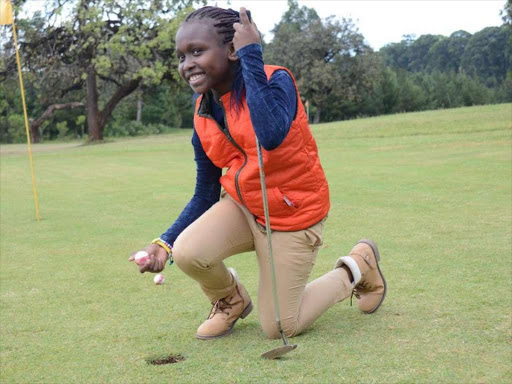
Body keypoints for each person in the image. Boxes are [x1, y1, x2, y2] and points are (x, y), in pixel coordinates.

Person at [129, 6, 387, 340]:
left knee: (281, 325)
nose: (187, 64)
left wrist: (252, 54)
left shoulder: (276, 80)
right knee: (187, 251)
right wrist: (163, 243)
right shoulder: (203, 112)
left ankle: (358, 265)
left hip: (293, 215)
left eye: (197, 51)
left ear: (233, 50)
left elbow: (270, 135)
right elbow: (205, 193)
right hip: (244, 206)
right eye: (181, 56)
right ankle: (230, 300)